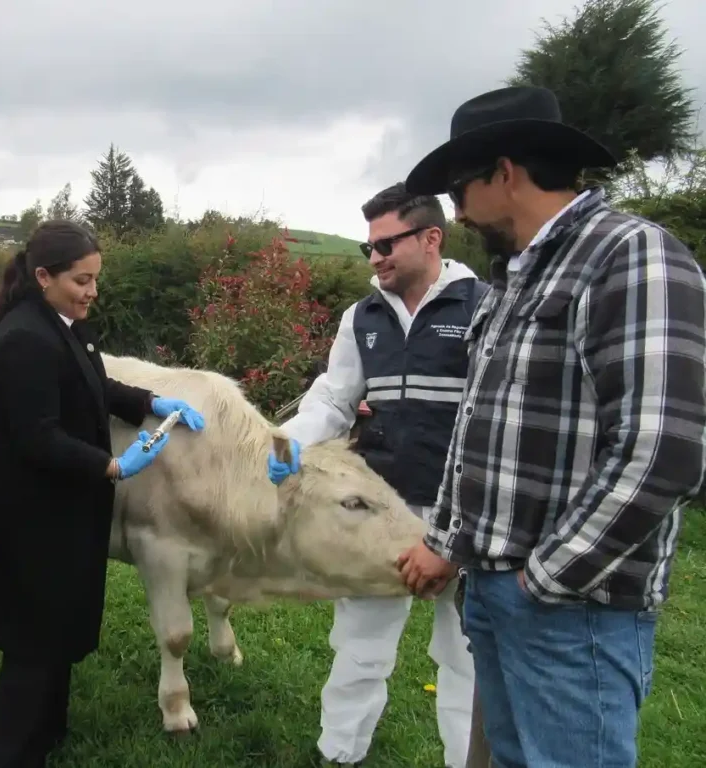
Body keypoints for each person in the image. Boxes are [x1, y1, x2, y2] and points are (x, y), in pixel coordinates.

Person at [397, 85, 706, 768]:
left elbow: (663, 451)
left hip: (573, 612)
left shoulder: (630, 255)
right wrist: (454, 544)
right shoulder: (515, 282)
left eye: (457, 190)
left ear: (504, 173)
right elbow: (480, 431)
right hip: (499, 592)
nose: (457, 213)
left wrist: (544, 581)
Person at [0, 220, 206, 768]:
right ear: (44, 276)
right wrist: (113, 465)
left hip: (63, 511)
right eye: (82, 280)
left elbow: (97, 387)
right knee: (32, 644)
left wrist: (153, 401)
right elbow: (37, 437)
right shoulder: (22, 340)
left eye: (96, 279)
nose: (93, 292)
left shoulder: (65, 325)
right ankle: (5, 755)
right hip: (31, 518)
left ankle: (47, 736)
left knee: (56, 633)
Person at [267, 182, 487, 767]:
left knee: (466, 656)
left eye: (387, 243)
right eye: (370, 246)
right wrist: (286, 442)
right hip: (382, 511)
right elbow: (334, 399)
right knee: (360, 645)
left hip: (465, 511)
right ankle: (339, 754)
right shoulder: (360, 316)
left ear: (431, 238)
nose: (375, 258)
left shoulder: (485, 306)